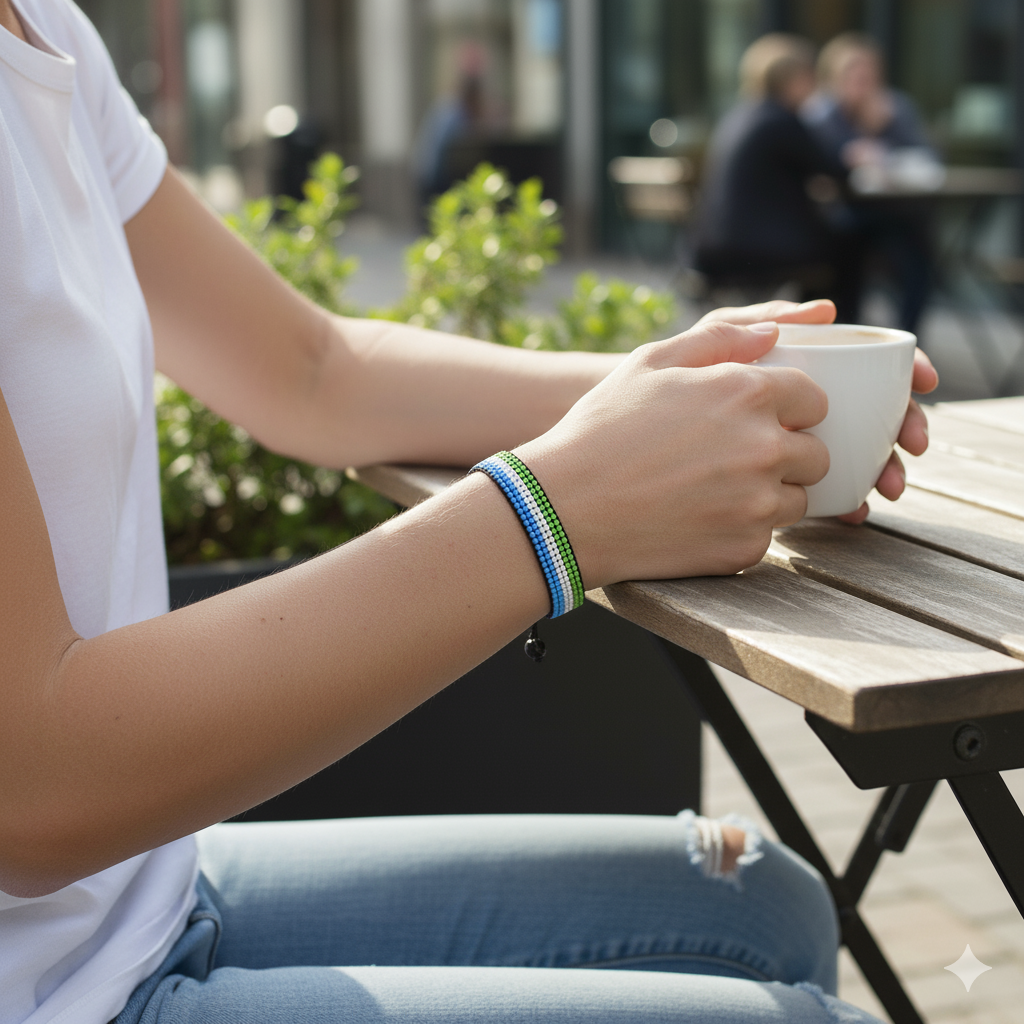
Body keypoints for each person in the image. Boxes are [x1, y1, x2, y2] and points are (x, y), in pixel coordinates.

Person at [0, 3, 937, 1023]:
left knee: (764, 902)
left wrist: (702, 393)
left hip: (139, 900)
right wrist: (559, 510)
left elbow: (312, 371)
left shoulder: (48, 27)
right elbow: (34, 790)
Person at [693, 34, 859, 321]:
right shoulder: (780, 121)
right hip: (753, 249)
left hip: (710, 248)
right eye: (810, 78)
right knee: (852, 245)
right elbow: (833, 168)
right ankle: (831, 332)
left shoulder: (739, 117)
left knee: (835, 243)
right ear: (794, 80)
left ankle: (811, 328)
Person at [803, 32, 936, 335]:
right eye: (853, 70)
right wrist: (852, 145)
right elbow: (818, 162)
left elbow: (924, 158)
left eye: (869, 71)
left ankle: (907, 337)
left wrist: (882, 130)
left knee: (920, 253)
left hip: (890, 210)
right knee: (845, 247)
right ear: (834, 75)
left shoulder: (895, 107)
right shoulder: (820, 112)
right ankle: (845, 332)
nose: (862, 79)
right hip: (838, 213)